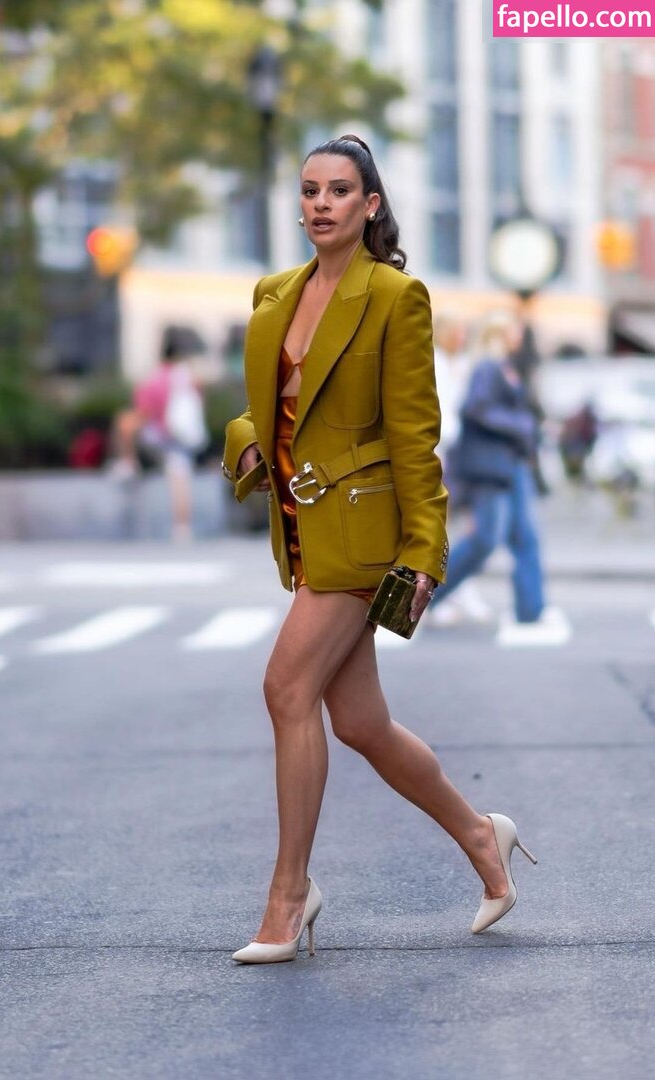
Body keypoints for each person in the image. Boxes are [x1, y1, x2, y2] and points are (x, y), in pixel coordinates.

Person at [221, 135, 536, 965]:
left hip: (363, 535)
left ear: (370, 205)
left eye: (339, 190)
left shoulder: (396, 297)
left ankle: (290, 895)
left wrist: (425, 551)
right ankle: (483, 837)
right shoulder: (275, 294)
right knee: (361, 723)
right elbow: (268, 408)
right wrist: (245, 443)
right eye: (310, 190)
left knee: (286, 688)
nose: (321, 203)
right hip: (303, 529)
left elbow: (414, 435)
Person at [430, 311, 549, 626]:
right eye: (514, 329)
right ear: (501, 333)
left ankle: (531, 610)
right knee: (484, 540)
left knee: (521, 536)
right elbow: (475, 408)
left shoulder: (503, 366)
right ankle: (423, 596)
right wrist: (521, 426)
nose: (519, 335)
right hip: (490, 466)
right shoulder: (488, 367)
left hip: (506, 462)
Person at [110, 344, 208, 542]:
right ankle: (182, 527)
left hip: (161, 435)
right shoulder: (188, 377)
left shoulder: (156, 379)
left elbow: (144, 411)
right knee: (179, 478)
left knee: (124, 423)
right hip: (182, 438)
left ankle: (128, 463)